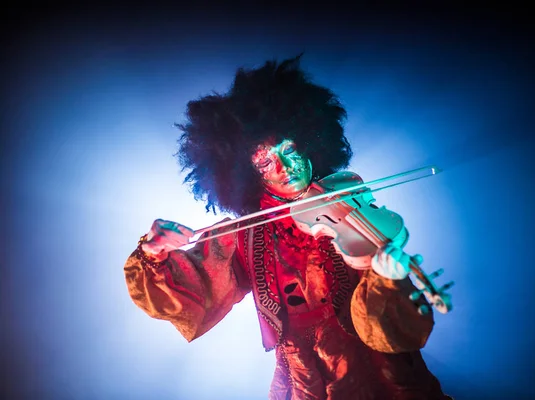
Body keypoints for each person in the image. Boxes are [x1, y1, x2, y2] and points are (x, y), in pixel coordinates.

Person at [124, 55, 451, 399]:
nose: (286, 165)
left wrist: (384, 279)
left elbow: (388, 331)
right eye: (264, 160)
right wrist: (154, 250)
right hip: (302, 377)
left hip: (376, 368)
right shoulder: (244, 235)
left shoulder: (346, 198)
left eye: (289, 147)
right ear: (246, 172)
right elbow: (191, 292)